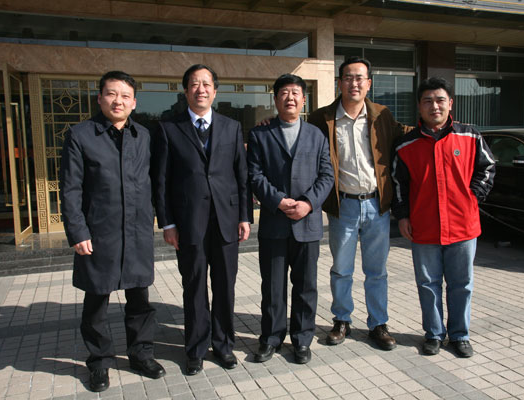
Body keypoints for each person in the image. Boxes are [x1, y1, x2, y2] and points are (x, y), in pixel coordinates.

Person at [60, 71, 165, 393]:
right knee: (96, 302)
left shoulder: (144, 135)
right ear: (100, 98)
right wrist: (77, 231)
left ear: (134, 103)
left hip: (137, 231)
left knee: (140, 300)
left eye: (125, 96)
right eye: (111, 94)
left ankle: (141, 354)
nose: (118, 101)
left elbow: (157, 182)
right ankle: (99, 362)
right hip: (99, 232)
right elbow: (71, 189)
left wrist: (163, 221)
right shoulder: (81, 135)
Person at [152, 64, 250, 375]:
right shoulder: (169, 128)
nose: (201, 89)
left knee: (225, 286)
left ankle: (223, 345)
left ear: (215, 91)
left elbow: (242, 175)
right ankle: (195, 349)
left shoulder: (231, 127)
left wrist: (245, 216)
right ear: (186, 91)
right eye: (194, 84)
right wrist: (167, 223)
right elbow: (161, 180)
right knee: (194, 286)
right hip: (188, 223)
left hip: (226, 221)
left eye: (206, 84)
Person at [308, 57, 410, 350]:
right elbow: (301, 139)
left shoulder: (382, 115)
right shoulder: (322, 118)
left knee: (377, 271)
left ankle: (378, 324)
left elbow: (406, 134)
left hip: (377, 206)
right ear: (340, 82)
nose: (354, 83)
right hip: (344, 206)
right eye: (348, 77)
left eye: (360, 78)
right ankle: (342, 320)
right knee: (341, 269)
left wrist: (440, 127)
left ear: (369, 83)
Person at [391, 77, 495, 357]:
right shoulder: (405, 145)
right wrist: (402, 216)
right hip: (423, 226)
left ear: (450, 103)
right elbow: (399, 184)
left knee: (462, 284)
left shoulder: (470, 136)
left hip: (463, 225)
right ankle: (434, 334)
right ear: (419, 106)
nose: (434, 106)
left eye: (439, 100)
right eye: (428, 101)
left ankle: (460, 335)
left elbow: (487, 168)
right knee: (428, 284)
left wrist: (473, 197)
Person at [247, 74, 334, 364]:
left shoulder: (316, 135)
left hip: (307, 224)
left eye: (296, 93)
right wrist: (278, 200)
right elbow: (255, 174)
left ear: (304, 100)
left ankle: (302, 339)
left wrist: (308, 203)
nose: (290, 98)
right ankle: (271, 338)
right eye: (284, 93)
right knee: (272, 287)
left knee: (306, 286)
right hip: (274, 222)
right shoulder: (260, 134)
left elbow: (327, 175)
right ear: (275, 99)